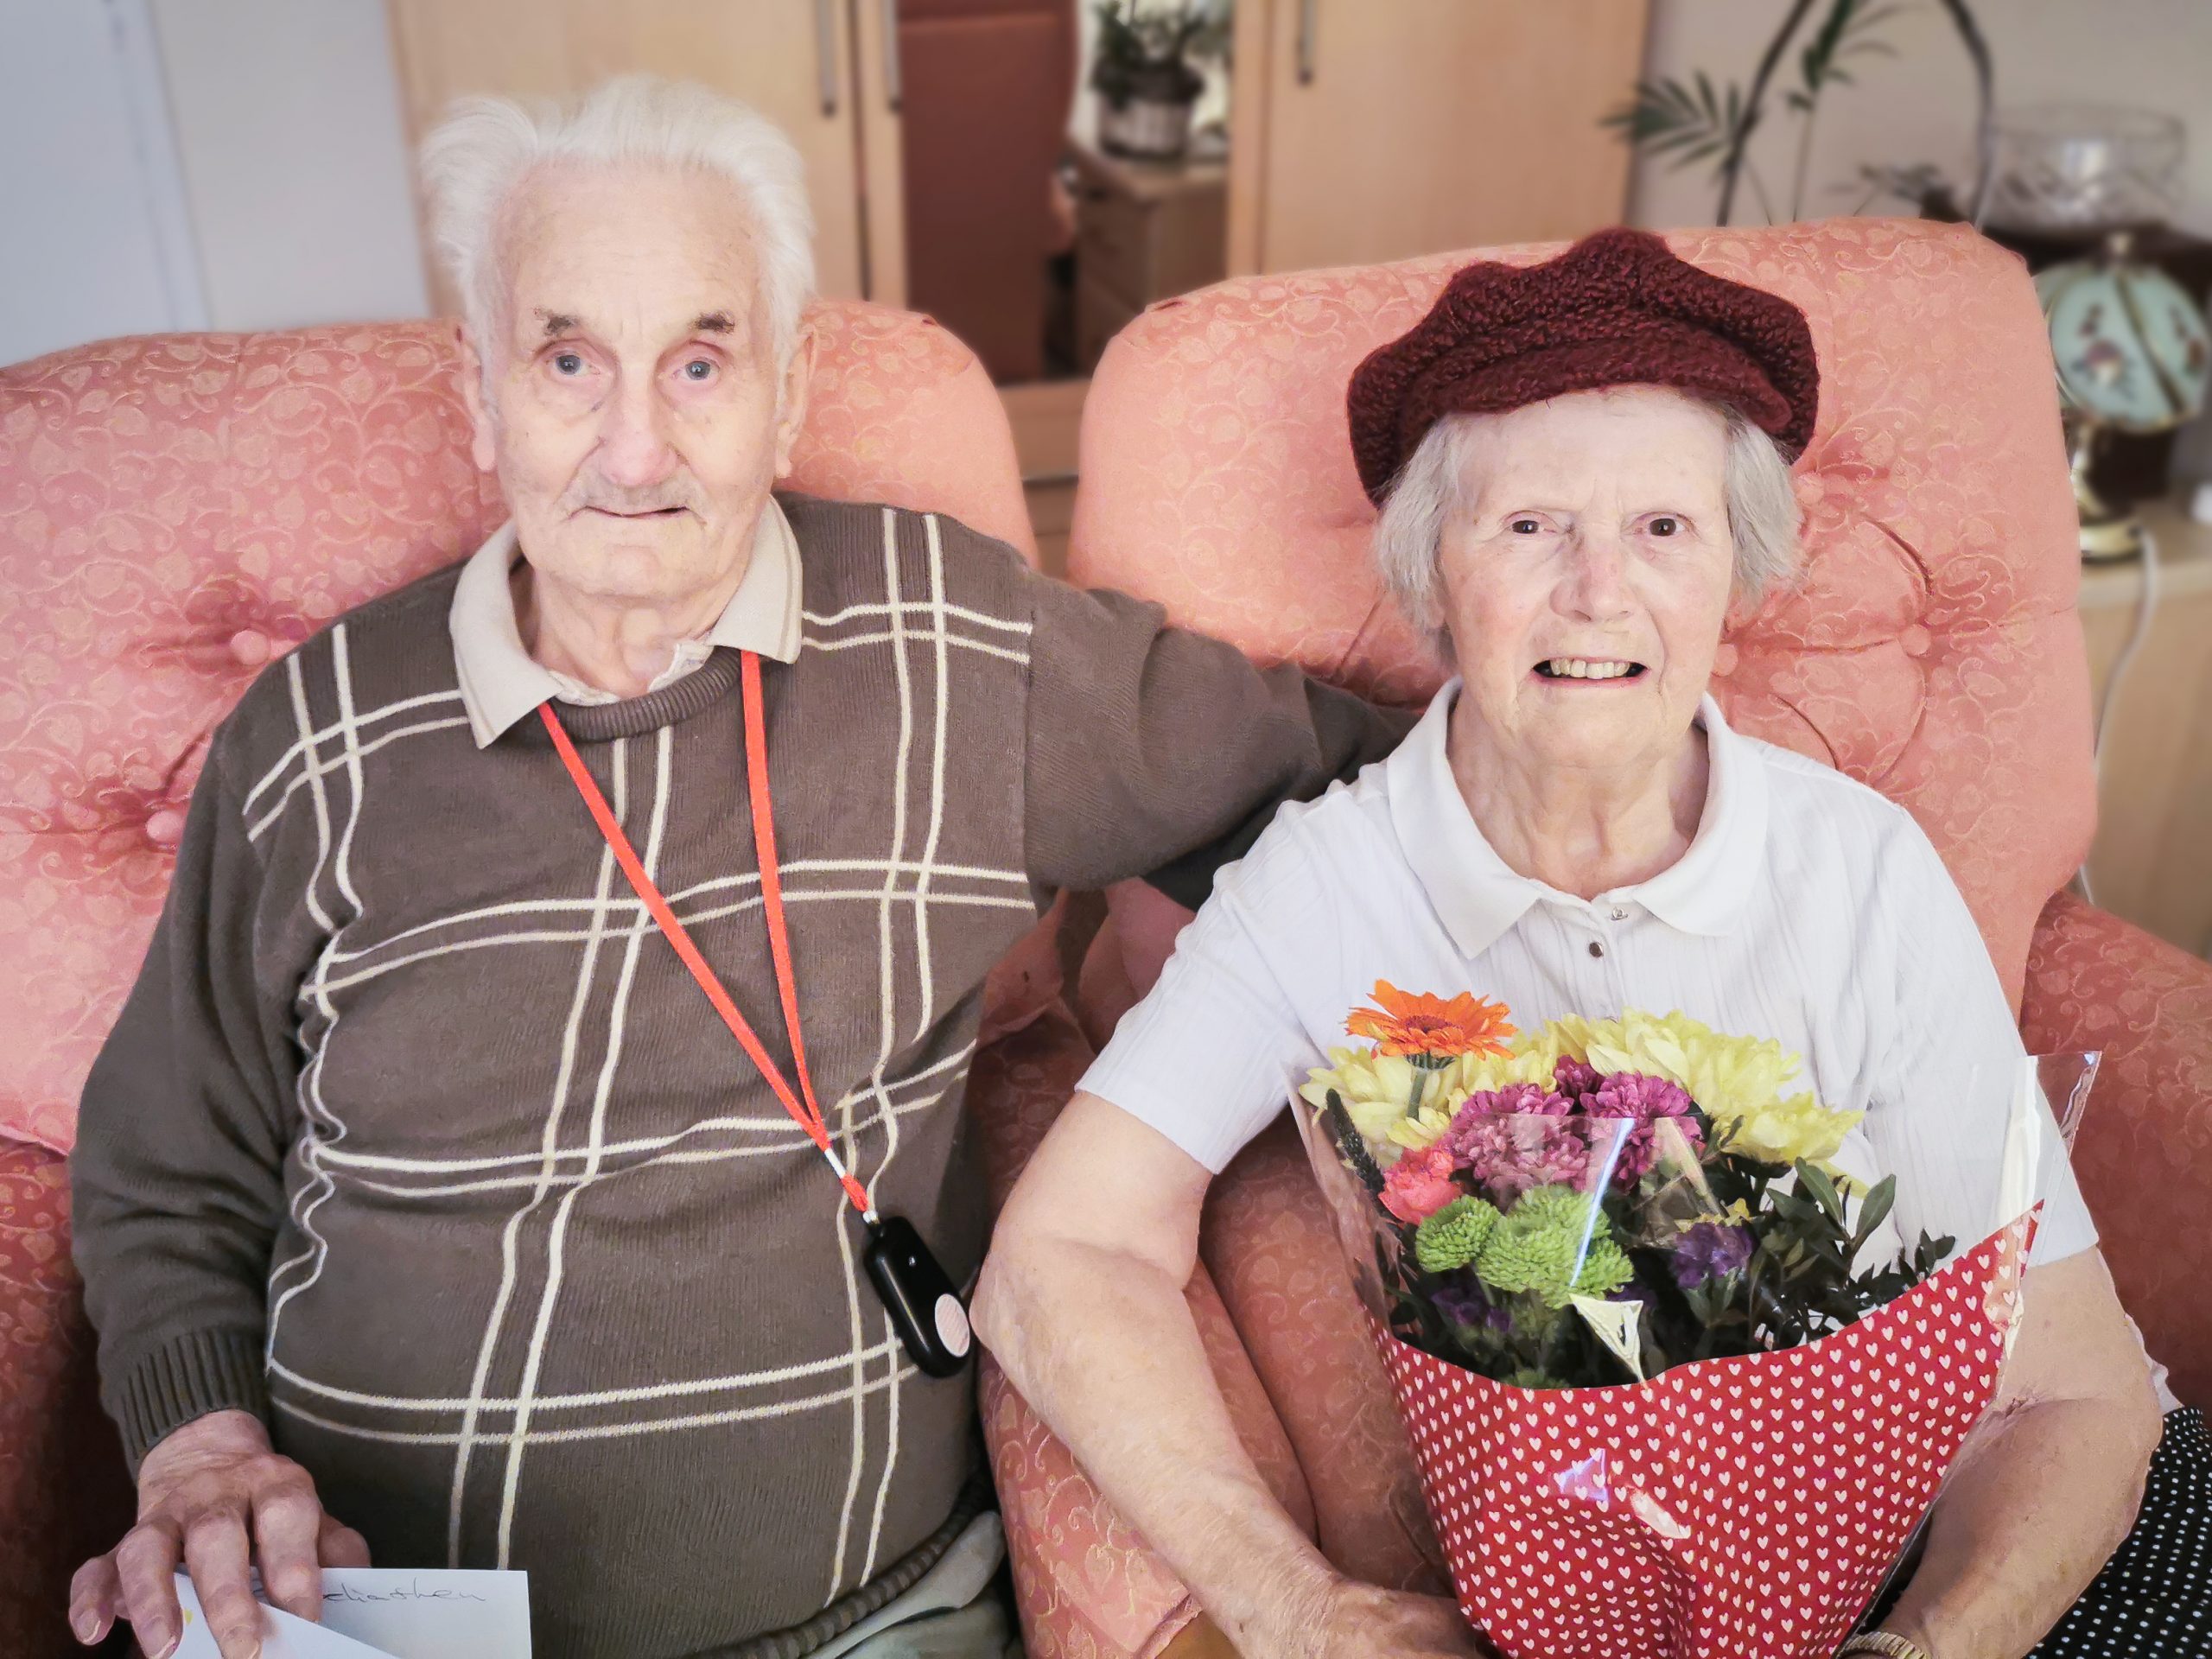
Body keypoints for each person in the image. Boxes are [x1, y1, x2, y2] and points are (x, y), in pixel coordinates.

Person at [65, 76, 1414, 1659]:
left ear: (786, 389)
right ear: (482, 394)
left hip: (862, 1621)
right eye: (571, 361)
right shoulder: (315, 733)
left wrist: (1175, 1036)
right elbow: (167, 1162)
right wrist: (197, 1442)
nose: (635, 448)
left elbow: (1360, 790)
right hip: (363, 1623)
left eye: (699, 361)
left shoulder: (955, 644)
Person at [976, 229, 2200, 1659]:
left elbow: (2068, 1392)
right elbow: (1058, 1254)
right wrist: (1294, 1607)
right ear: (1433, 573)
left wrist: (1932, 1643)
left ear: (1737, 574)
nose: (1599, 592)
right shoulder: (1325, 885)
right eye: (1530, 526)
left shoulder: (1862, 872)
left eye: (1664, 530)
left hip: (1975, 1576)